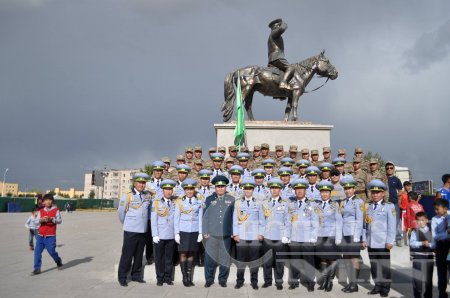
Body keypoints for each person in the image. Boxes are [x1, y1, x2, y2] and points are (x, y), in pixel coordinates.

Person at [362, 180, 396, 297]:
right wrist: (364, 239)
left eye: (378, 192)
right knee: (375, 266)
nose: (375, 195)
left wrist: (390, 241)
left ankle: (385, 288)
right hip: (371, 242)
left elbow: (392, 226)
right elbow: (365, 225)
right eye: (373, 192)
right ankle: (377, 286)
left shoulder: (388, 207)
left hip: (383, 243)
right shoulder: (369, 206)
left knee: (384, 267)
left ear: (382, 194)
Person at [116, 173, 151, 286]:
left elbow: (148, 212)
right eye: (139, 182)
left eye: (143, 183)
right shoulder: (127, 196)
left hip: (143, 230)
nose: (141, 185)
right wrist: (127, 224)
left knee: (139, 254)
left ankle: (136, 275)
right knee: (127, 254)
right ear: (134, 183)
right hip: (131, 230)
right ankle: (122, 276)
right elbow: (121, 213)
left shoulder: (147, 196)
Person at [203, 175, 235, 288]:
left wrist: (233, 232)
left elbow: (233, 217)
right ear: (215, 188)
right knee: (209, 258)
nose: (220, 188)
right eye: (218, 186)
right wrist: (205, 231)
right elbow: (205, 217)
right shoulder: (209, 199)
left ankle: (222, 279)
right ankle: (209, 279)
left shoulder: (231, 199)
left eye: (222, 186)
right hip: (211, 235)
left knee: (224, 259)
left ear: (225, 187)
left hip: (226, 235)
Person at [232, 177, 265, 290]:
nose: (248, 191)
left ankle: (254, 281)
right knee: (240, 261)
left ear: (253, 190)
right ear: (243, 190)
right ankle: (239, 281)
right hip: (241, 236)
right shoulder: (237, 203)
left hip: (255, 236)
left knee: (254, 261)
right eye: (246, 189)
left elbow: (262, 220)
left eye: (250, 189)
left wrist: (261, 234)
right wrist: (235, 234)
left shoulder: (259, 203)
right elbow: (235, 220)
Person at [287, 178, 318, 292]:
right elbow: (287, 221)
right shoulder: (290, 204)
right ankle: (294, 282)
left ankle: (310, 283)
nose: (299, 191)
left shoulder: (312, 204)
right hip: (294, 237)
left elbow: (315, 222)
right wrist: (287, 235)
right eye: (297, 189)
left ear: (305, 190)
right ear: (294, 191)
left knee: (308, 261)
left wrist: (313, 236)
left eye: (301, 189)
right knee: (295, 261)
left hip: (307, 238)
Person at [261, 178, 291, 290]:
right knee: (267, 262)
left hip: (280, 237)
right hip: (267, 236)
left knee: (279, 262)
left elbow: (288, 221)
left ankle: (279, 282)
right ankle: (267, 281)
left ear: (280, 190)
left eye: (276, 188)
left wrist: (286, 236)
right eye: (272, 188)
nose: (274, 190)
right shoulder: (264, 203)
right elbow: (261, 220)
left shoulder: (285, 204)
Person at [174, 178, 204, 287]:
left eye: (191, 189)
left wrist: (200, 233)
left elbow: (200, 218)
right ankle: (184, 278)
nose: (189, 191)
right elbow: (176, 218)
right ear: (184, 190)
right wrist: (176, 233)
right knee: (182, 252)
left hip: (194, 231)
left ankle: (189, 276)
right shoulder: (179, 202)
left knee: (191, 253)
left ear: (194, 190)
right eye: (187, 189)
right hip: (183, 230)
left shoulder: (199, 201)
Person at [315, 180, 343, 292]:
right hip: (320, 236)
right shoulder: (316, 205)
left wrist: (338, 237)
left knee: (332, 258)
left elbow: (339, 221)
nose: (324, 194)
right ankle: (324, 280)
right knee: (323, 259)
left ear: (330, 193)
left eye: (327, 192)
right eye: (322, 192)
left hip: (331, 236)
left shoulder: (334, 204)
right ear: (320, 193)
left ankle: (329, 281)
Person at [339, 176, 364, 293]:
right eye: (346, 189)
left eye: (350, 188)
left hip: (354, 234)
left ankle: (354, 284)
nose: (348, 191)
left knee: (354, 258)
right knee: (346, 258)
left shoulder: (358, 202)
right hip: (345, 234)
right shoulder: (343, 202)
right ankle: (350, 283)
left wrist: (357, 237)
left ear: (354, 189)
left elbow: (360, 221)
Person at [151, 179, 176, 286]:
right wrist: (155, 234)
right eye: (166, 189)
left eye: (170, 189)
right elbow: (153, 220)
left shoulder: (175, 202)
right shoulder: (156, 203)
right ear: (162, 190)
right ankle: (160, 278)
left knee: (169, 258)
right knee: (159, 258)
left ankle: (168, 277)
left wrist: (176, 233)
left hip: (171, 235)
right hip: (160, 235)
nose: (168, 191)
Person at [31, 193, 63, 275]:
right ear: (43, 202)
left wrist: (51, 219)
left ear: (52, 201)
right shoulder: (41, 211)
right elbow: (35, 222)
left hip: (50, 236)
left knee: (51, 251)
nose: (48, 201)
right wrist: (41, 220)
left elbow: (59, 221)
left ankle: (58, 260)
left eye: (50, 200)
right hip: (40, 236)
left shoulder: (56, 210)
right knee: (37, 252)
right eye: (46, 200)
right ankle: (37, 268)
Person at [410, 212, 434, 298]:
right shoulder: (415, 231)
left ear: (427, 221)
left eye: (422, 220)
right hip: (418, 256)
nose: (420, 222)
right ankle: (417, 295)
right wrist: (421, 243)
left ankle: (428, 295)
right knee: (417, 279)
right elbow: (412, 243)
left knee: (428, 280)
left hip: (429, 257)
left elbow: (434, 244)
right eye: (418, 221)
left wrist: (429, 245)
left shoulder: (431, 230)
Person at [431, 199, 450, 298]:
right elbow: (435, 236)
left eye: (437, 209)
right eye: (435, 209)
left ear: (445, 208)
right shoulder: (434, 219)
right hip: (441, 247)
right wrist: (447, 234)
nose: (436, 211)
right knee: (441, 271)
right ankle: (442, 293)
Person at [385, 161, 403, 247]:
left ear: (394, 169)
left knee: (396, 222)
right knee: (385, 221)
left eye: (391, 168)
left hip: (394, 203)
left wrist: (397, 199)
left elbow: (401, 191)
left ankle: (398, 239)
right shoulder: (383, 179)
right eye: (387, 168)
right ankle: (387, 239)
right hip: (384, 203)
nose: (389, 169)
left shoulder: (397, 180)